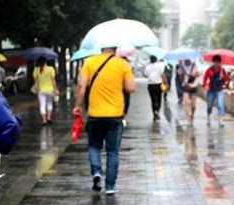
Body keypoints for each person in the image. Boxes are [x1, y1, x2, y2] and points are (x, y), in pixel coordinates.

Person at [72, 47, 136, 195]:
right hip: (115, 115)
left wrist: (77, 106)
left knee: (94, 146)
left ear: (101, 47)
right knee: (113, 152)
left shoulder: (89, 62)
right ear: (115, 48)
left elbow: (82, 86)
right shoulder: (122, 64)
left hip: (95, 114)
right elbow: (131, 88)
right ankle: (110, 186)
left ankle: (96, 172)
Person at [203, 54, 229, 127]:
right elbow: (205, 78)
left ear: (220, 62)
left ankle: (221, 120)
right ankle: (208, 117)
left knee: (220, 105)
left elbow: (226, 79)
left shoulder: (222, 70)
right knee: (209, 105)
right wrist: (205, 85)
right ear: (213, 62)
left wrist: (223, 77)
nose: (216, 63)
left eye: (218, 62)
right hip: (211, 90)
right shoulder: (210, 70)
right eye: (215, 62)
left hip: (219, 90)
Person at [33, 57, 59, 125]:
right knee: (49, 104)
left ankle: (44, 120)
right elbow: (53, 80)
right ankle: (49, 118)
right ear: (46, 61)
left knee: (42, 105)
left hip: (41, 90)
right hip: (50, 90)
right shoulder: (50, 69)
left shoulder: (36, 70)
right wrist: (55, 89)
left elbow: (36, 81)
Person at [144, 55, 167, 121]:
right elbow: (163, 75)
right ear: (156, 59)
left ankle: (154, 112)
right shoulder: (159, 66)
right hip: (158, 85)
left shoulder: (148, 67)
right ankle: (157, 110)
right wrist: (166, 83)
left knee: (153, 100)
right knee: (159, 99)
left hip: (151, 85)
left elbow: (145, 75)